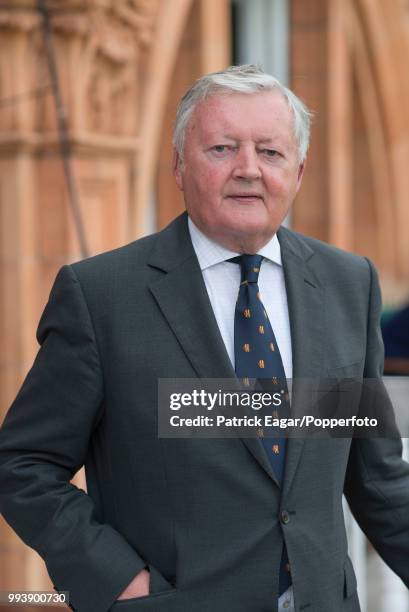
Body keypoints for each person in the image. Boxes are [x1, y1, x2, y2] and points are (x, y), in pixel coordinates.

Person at [0, 64, 408, 612]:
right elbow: (23, 464)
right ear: (177, 164)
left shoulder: (347, 284)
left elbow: (377, 480)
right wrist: (116, 580)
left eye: (270, 152)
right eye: (221, 148)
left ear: (300, 170)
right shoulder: (101, 296)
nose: (248, 170)